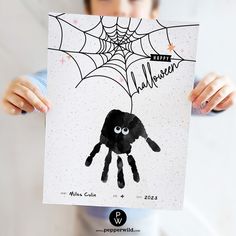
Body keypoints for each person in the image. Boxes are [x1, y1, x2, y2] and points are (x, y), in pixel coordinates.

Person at [1, 0, 235, 235]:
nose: (120, 8)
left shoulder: (170, 68)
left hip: (146, 207)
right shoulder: (73, 64)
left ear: (154, 12)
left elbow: (198, 97)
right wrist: (24, 89)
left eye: (133, 0)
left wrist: (217, 93)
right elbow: (43, 84)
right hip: (86, 205)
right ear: (89, 11)